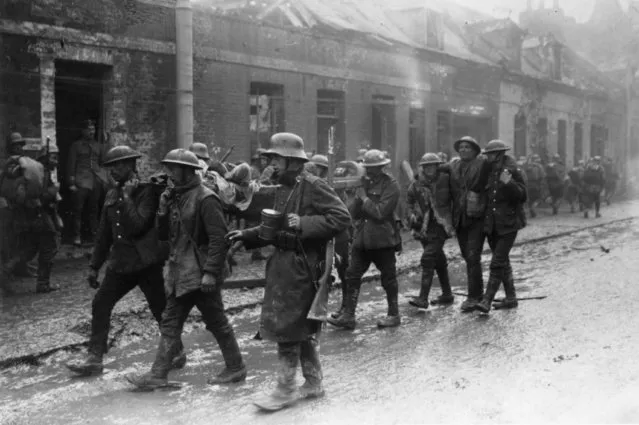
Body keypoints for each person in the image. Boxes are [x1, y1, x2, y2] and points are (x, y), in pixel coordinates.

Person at [227, 133, 350, 409]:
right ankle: (314, 382)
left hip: (303, 266)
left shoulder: (313, 185)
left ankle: (284, 389)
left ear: (294, 161)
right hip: (282, 264)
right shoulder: (282, 187)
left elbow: (342, 217)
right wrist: (246, 235)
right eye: (270, 158)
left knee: (287, 328)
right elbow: (273, 228)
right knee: (300, 326)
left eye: (276, 158)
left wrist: (304, 222)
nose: (271, 163)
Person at [127, 149, 245, 389]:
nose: (169, 173)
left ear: (186, 171)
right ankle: (159, 374)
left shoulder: (206, 198)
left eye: (173, 168)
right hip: (181, 272)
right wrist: (162, 208)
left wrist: (211, 272)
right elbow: (163, 236)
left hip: (201, 273)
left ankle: (235, 368)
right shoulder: (175, 197)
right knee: (172, 322)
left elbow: (218, 238)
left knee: (215, 322)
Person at [66, 145, 185, 376]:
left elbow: (138, 226)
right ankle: (94, 357)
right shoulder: (111, 194)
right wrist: (93, 267)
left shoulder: (147, 191)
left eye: (119, 166)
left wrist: (129, 198)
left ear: (131, 165)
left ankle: (177, 351)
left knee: (159, 308)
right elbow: (103, 234)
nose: (114, 171)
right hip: (120, 264)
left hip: (146, 263)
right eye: (111, 167)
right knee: (100, 302)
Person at [328, 149, 402, 330]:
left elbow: (380, 212)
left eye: (374, 167)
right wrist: (352, 197)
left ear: (382, 167)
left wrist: (363, 197)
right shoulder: (363, 183)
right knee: (352, 275)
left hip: (383, 239)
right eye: (367, 167)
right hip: (362, 239)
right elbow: (353, 214)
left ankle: (394, 314)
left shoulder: (391, 185)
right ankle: (348, 316)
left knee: (388, 278)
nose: (369, 171)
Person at [475, 140, 527, 313]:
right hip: (492, 223)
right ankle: (511, 298)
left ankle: (486, 301)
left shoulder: (512, 171)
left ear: (499, 154)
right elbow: (479, 188)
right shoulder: (488, 169)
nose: (488, 157)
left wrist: (509, 183)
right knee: (503, 261)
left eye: (491, 154)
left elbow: (522, 195)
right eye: (487, 154)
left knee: (497, 262)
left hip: (509, 224)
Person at [445, 136, 490, 312]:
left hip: (477, 215)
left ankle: (473, 297)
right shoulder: (453, 165)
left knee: (473, 256)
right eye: (461, 147)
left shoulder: (483, 163)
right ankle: (477, 293)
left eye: (467, 147)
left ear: (475, 150)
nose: (463, 150)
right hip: (460, 217)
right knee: (467, 256)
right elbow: (436, 168)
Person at [406, 153, 455, 309]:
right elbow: (409, 202)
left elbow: (457, 197)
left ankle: (423, 298)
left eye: (433, 165)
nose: (429, 169)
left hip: (441, 224)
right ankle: (447, 294)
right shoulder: (416, 184)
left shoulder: (446, 180)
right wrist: (412, 216)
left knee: (428, 258)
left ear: (438, 166)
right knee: (438, 260)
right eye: (426, 166)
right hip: (424, 227)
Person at [67, 120, 107, 246]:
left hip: (95, 181)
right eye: (89, 129)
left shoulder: (98, 146)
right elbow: (71, 164)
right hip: (81, 180)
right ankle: (77, 236)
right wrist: (71, 182)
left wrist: (102, 178)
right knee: (78, 210)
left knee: (94, 209)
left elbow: (103, 162)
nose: (91, 132)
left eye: (93, 129)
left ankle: (94, 235)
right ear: (83, 131)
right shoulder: (76, 145)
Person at [523, 154, 546, 218]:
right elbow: (542, 176)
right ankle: (533, 207)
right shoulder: (539, 166)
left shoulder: (528, 166)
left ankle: (532, 213)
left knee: (530, 199)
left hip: (528, 185)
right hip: (536, 184)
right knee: (538, 198)